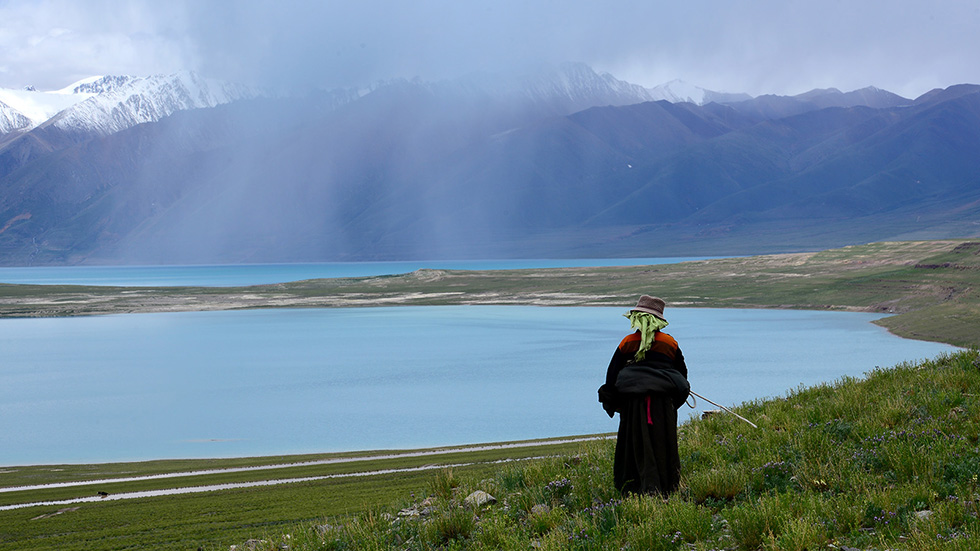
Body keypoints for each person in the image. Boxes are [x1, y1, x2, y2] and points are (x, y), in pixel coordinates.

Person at [597, 295, 690, 496]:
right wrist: (672, 403)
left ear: (637, 319)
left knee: (632, 444)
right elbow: (681, 376)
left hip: (632, 405)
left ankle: (632, 488)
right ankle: (665, 488)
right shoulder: (669, 343)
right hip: (662, 405)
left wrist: (617, 405)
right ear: (659, 321)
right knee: (662, 443)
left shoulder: (627, 343)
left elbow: (611, 378)